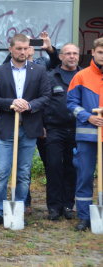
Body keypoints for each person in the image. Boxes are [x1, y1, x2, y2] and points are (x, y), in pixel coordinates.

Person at [0, 33, 50, 226]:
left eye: (26, 49)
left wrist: (29, 105)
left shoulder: (39, 71)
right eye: (19, 49)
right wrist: (12, 103)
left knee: (23, 172)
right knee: (1, 172)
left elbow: (46, 96)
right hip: (7, 129)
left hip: (29, 129)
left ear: (29, 49)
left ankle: (18, 209)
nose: (23, 52)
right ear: (11, 49)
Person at [67, 37, 103, 231]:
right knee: (84, 177)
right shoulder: (81, 76)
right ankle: (84, 217)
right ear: (93, 52)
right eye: (100, 52)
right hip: (87, 136)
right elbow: (71, 104)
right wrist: (88, 117)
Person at [43, 43, 81, 221]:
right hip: (54, 129)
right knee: (53, 167)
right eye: (68, 53)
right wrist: (42, 125)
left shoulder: (83, 76)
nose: (72, 56)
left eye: (75, 53)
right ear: (61, 56)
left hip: (78, 129)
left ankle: (68, 205)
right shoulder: (50, 77)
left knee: (72, 168)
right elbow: (43, 101)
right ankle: (54, 207)